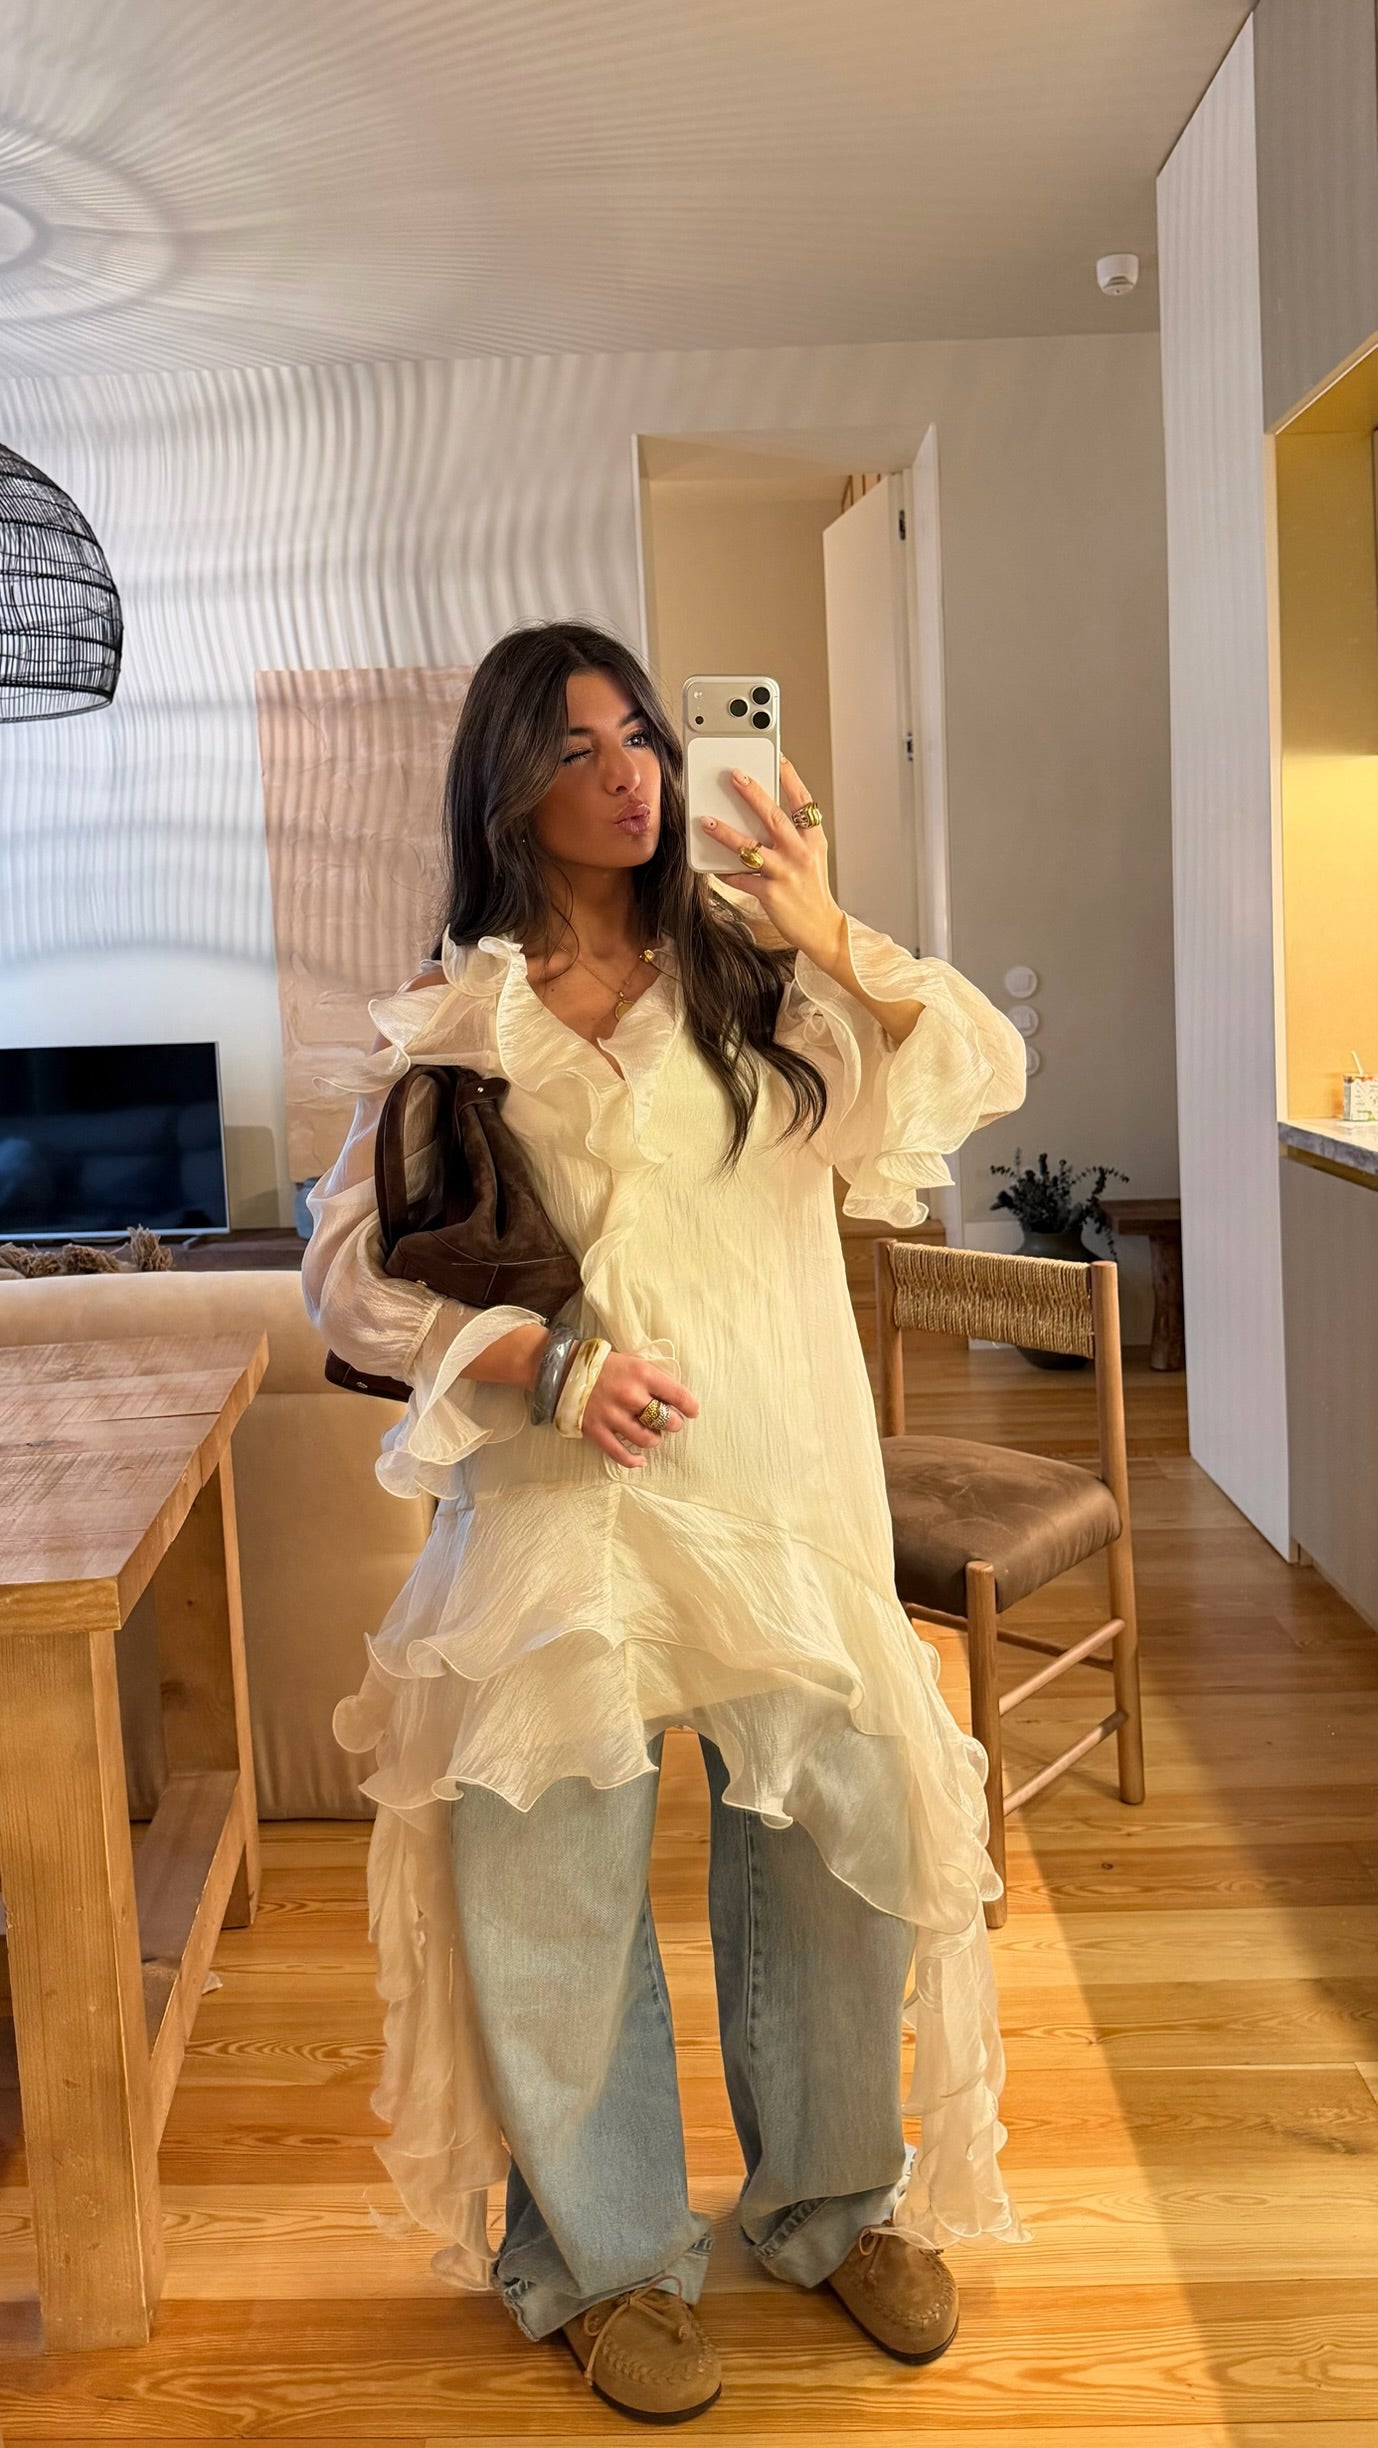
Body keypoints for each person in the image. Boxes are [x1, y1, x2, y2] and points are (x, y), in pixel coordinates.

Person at [302, 619, 1031, 2425]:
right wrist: (543, 1367)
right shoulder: (459, 1016)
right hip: (565, 1502)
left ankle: (831, 2204)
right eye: (576, 749)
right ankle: (606, 2255)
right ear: (504, 788)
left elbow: (965, 1071)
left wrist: (826, 930)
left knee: (839, 1842)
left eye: (640, 734)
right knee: (547, 1877)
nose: (626, 774)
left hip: (779, 1481)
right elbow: (350, 1278)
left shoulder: (757, 975)